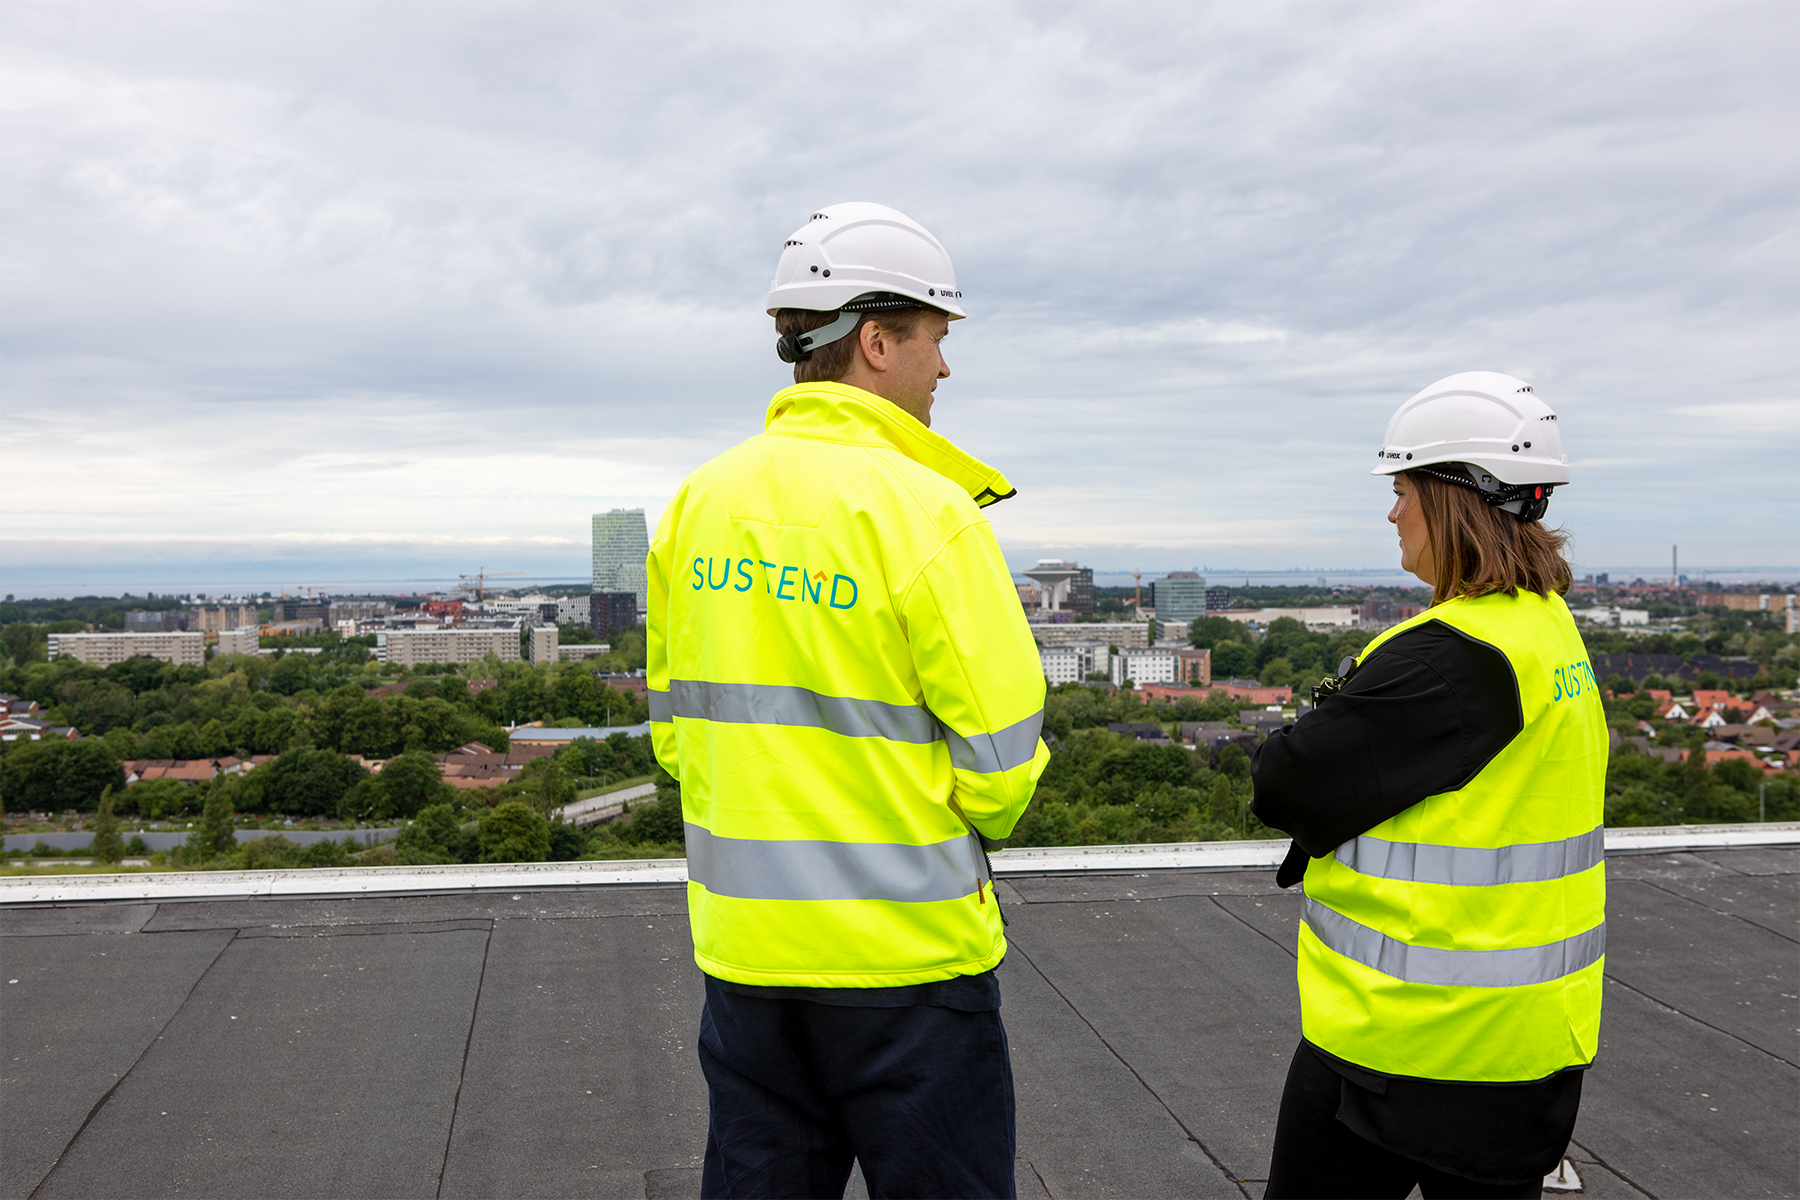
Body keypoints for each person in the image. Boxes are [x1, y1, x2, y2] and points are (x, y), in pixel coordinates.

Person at [646, 201, 1050, 1200]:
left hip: (746, 963)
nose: (944, 370)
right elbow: (1002, 772)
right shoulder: (927, 514)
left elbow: (672, 740)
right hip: (907, 968)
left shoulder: (700, 503)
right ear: (876, 340)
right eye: (933, 340)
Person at [1251, 372, 1606, 1199]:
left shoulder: (1448, 659)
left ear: (1452, 499)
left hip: (1403, 1055)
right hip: (1524, 1053)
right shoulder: (1545, 632)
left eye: (1403, 488)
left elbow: (1285, 784)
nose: (1392, 512)